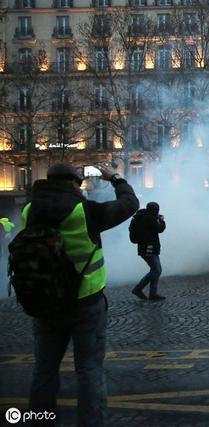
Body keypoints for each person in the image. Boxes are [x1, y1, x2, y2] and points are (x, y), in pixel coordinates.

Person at [24, 162, 138, 426]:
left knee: (44, 371)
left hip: (44, 300)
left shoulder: (29, 210)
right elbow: (130, 203)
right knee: (88, 369)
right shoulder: (83, 210)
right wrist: (115, 178)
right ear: (76, 183)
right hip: (85, 302)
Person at [131, 202, 166, 301]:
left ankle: (153, 294)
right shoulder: (149, 218)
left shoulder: (143, 216)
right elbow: (160, 229)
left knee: (156, 270)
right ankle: (138, 289)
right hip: (148, 248)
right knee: (156, 270)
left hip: (148, 247)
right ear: (154, 209)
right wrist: (162, 220)